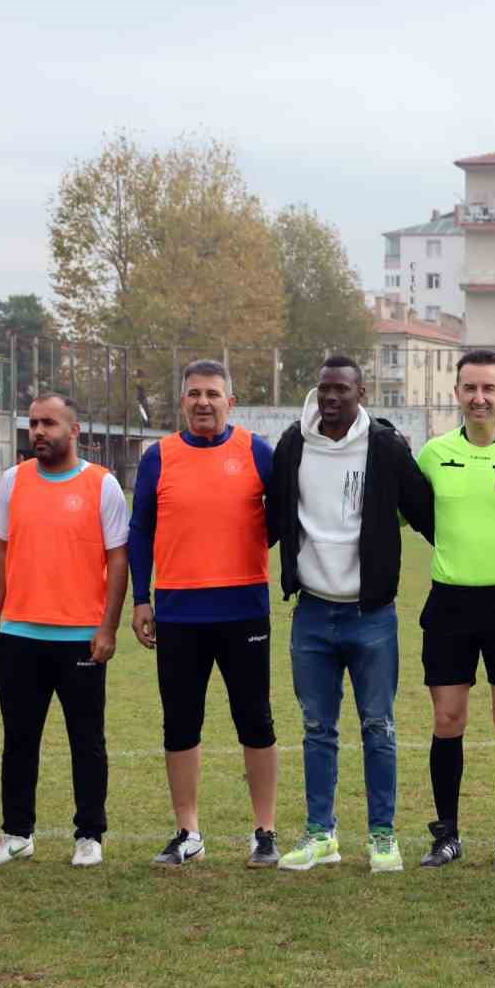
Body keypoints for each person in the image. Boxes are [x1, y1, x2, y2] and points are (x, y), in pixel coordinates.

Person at [269, 354, 434, 873]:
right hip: (313, 614)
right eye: (324, 389)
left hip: (373, 616)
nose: (332, 397)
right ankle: (322, 835)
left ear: (361, 394)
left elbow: (427, 512)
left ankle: (382, 836)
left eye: (342, 388)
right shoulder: (294, 442)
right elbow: (272, 516)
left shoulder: (384, 446)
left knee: (378, 726)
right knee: (318, 728)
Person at [128, 360, 280, 869]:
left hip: (244, 611)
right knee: (180, 723)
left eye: (213, 393)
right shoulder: (159, 457)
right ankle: (187, 830)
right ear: (183, 401)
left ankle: (265, 830)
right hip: (178, 613)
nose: (203, 402)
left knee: (255, 720)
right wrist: (142, 599)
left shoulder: (257, 451)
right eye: (193, 393)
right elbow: (141, 532)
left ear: (230, 402)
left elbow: (281, 516)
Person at [0, 393, 129, 869]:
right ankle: (17, 832)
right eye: (33, 424)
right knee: (19, 738)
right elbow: (3, 551)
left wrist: (108, 627)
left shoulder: (102, 485)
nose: (39, 432)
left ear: (74, 429)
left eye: (49, 423)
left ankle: (90, 834)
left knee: (87, 740)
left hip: (80, 637)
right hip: (21, 634)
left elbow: (118, 559)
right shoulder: (13, 480)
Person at [415, 350, 495, 871]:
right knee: (448, 719)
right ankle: (446, 834)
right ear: (456, 393)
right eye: (470, 388)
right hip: (449, 601)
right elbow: (404, 512)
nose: (479, 398)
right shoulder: (432, 454)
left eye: (489, 388)